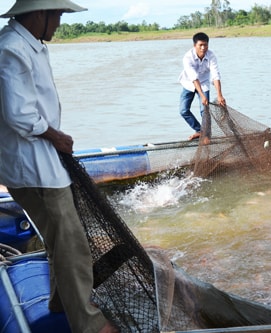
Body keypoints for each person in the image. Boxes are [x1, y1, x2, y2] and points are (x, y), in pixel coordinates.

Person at [0, 1, 118, 332]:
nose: (60, 24)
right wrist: (56, 136)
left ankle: (59, 299)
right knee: (74, 242)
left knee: (56, 237)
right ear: (40, 13)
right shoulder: (12, 49)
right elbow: (19, 114)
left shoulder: (28, 44)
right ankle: (89, 324)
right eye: (59, 16)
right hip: (34, 167)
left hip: (36, 163)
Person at [179, 32, 226, 141]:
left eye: (205, 45)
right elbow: (193, 78)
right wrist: (202, 95)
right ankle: (199, 130)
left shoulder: (211, 56)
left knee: (204, 111)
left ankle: (206, 136)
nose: (203, 48)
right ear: (194, 45)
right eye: (200, 45)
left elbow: (215, 75)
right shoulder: (187, 57)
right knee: (183, 110)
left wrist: (220, 95)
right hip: (189, 84)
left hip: (204, 83)